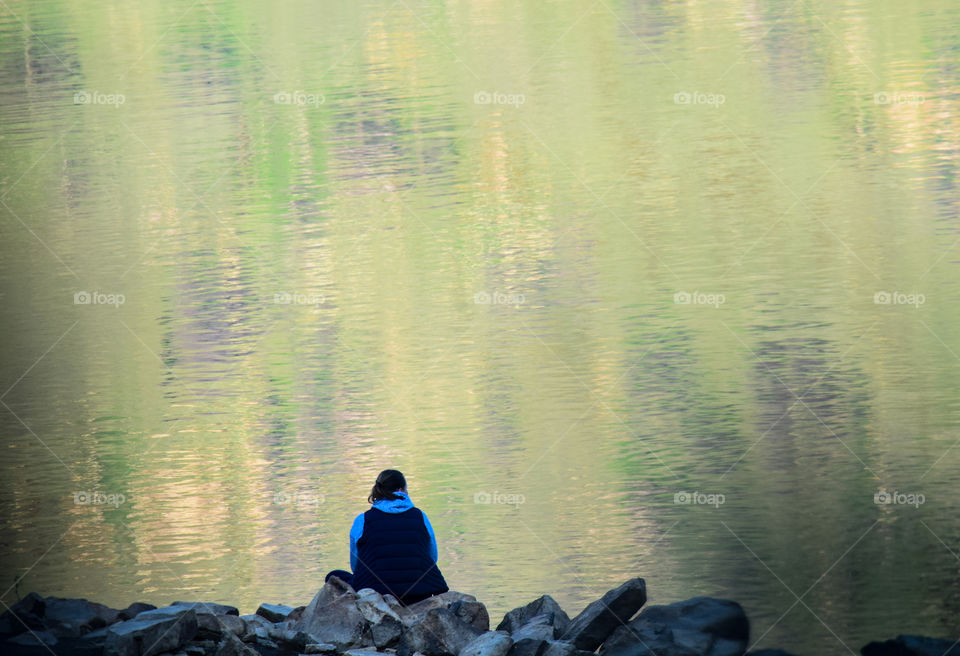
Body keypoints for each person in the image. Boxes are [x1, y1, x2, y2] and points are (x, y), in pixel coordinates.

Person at [325, 469, 449, 605]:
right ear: (402, 489)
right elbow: (432, 556)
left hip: (376, 592)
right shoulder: (420, 516)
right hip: (421, 592)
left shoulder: (363, 520)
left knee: (333, 576)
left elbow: (356, 565)